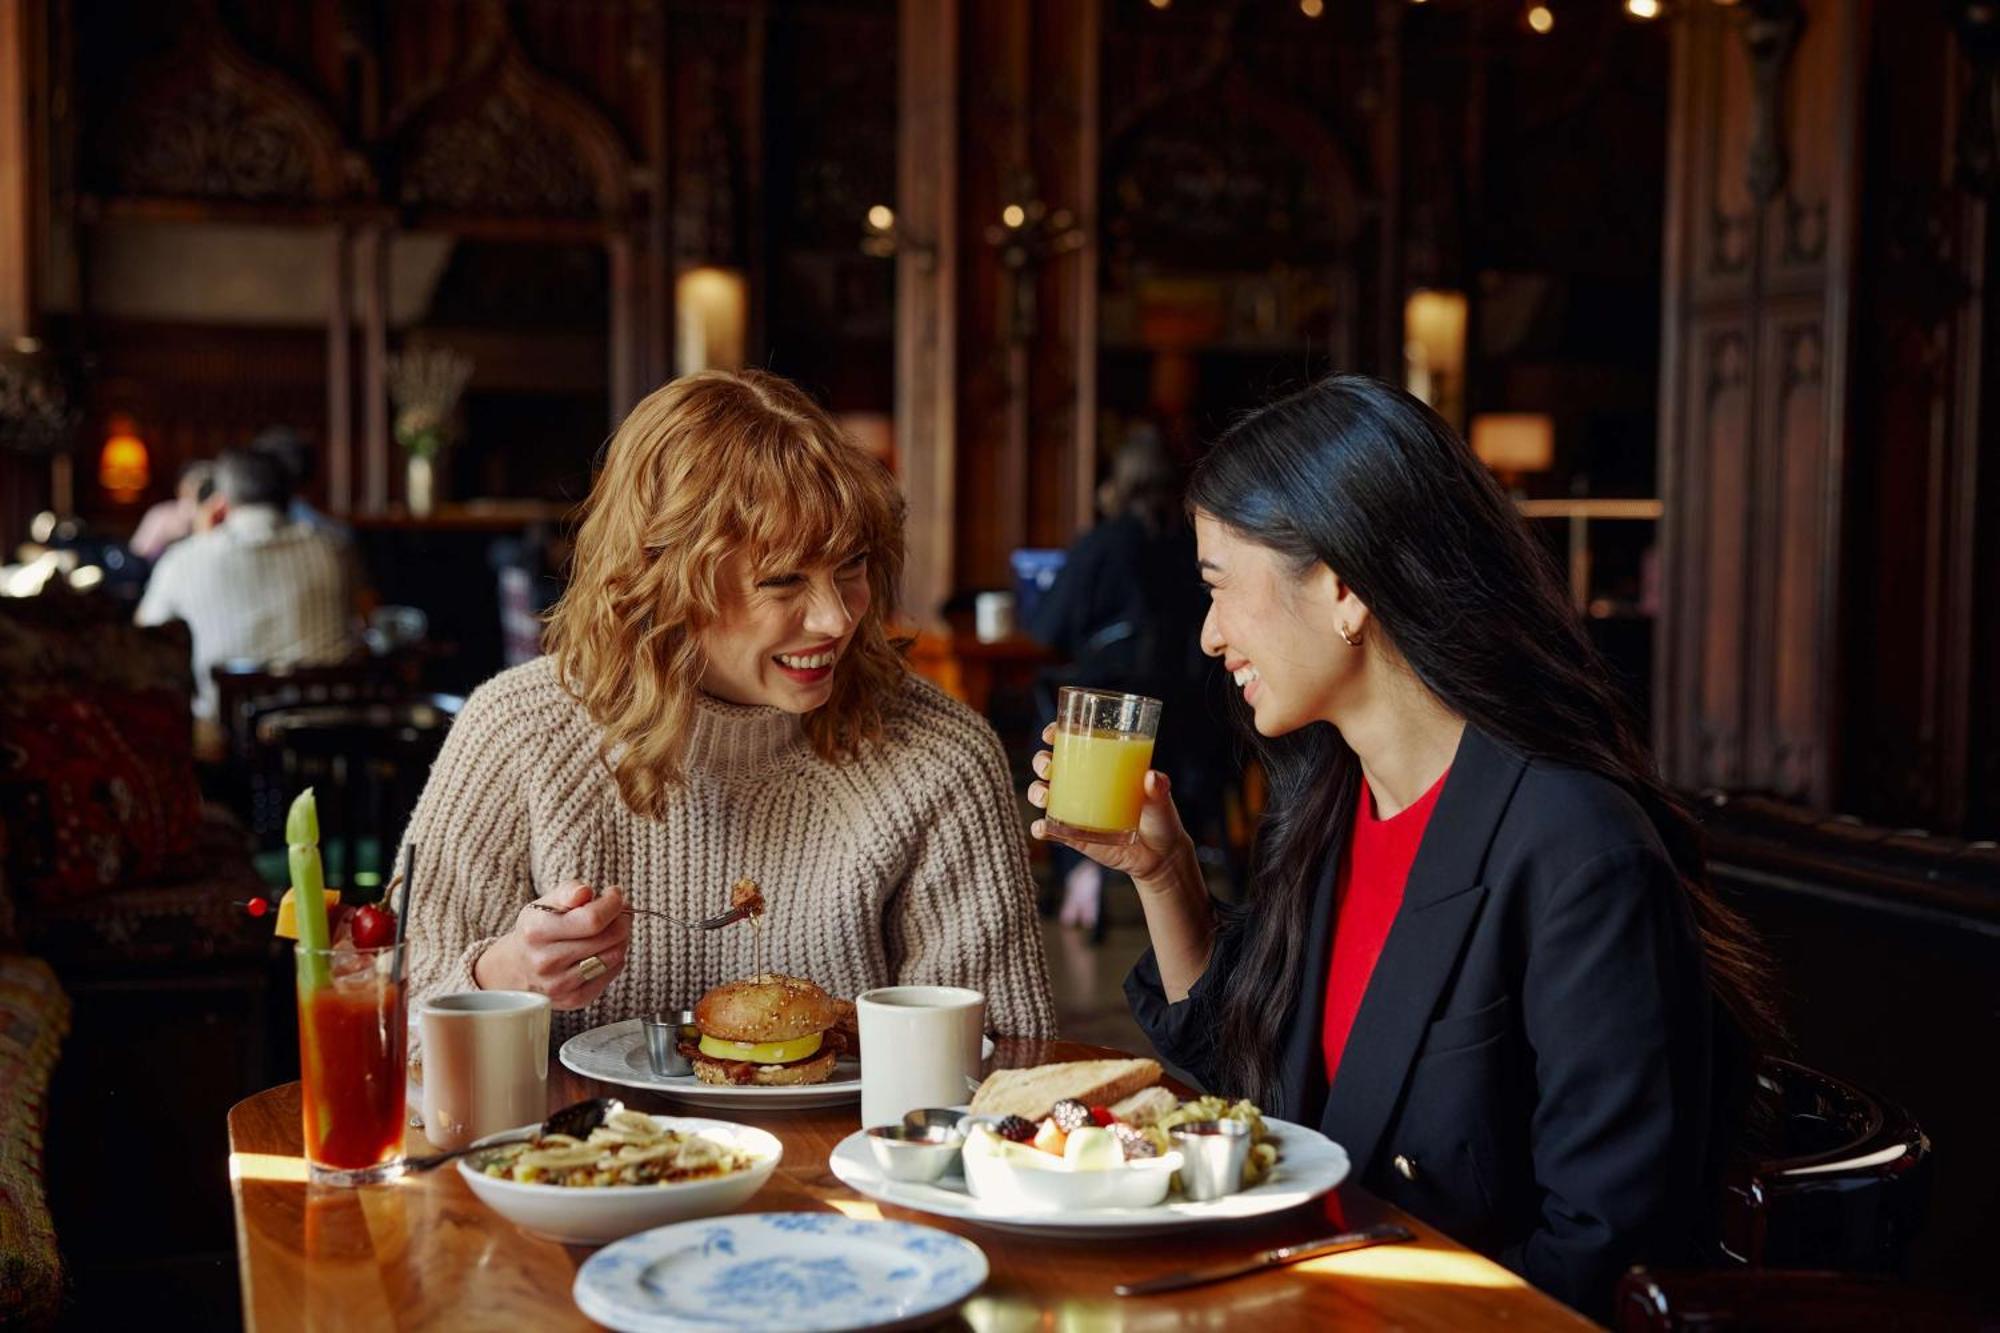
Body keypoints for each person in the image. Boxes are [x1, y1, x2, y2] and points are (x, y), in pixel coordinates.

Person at [1028, 375, 1773, 1317]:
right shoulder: (1329, 803)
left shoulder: (1577, 852)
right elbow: (1267, 1113)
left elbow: (1604, 1255)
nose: (1210, 636)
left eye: (1220, 586)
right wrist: (1164, 872)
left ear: (1343, 587)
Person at [399, 370, 1057, 1042]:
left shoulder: (941, 756)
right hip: (572, 1147)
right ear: (664, 582)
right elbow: (390, 1014)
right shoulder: (516, 730)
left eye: (852, 566)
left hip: (849, 1150)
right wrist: (503, 974)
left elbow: (1005, 1062)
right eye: (783, 580)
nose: (836, 618)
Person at [1026, 427, 1226, 931]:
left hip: (1110, 715)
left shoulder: (1102, 543)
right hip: (1192, 723)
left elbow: (1046, 628)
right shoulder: (1196, 547)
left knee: (1056, 716)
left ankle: (1080, 869)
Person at [135, 448, 357, 720]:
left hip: (224, 738)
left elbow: (145, 632)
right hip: (326, 735)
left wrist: (199, 538)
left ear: (220, 502)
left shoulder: (183, 560)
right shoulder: (335, 552)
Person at [128, 460, 216, 561]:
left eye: (206, 487)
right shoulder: (161, 515)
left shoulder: (218, 515)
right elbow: (137, 554)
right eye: (191, 484)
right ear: (181, 488)